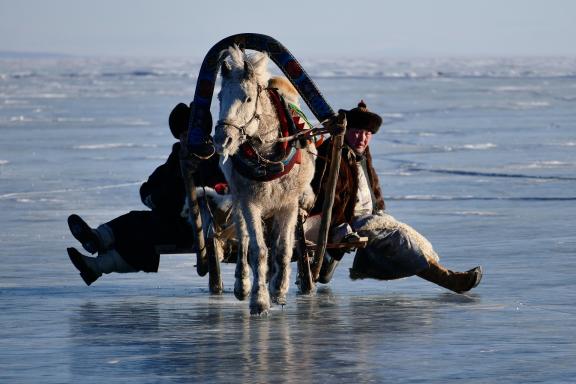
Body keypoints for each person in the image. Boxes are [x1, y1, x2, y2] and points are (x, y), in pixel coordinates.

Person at [311, 101, 482, 293]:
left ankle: (327, 262)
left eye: (368, 134)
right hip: (345, 222)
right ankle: (451, 281)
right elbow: (326, 196)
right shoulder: (332, 153)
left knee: (412, 237)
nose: (363, 138)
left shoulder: (361, 153)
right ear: (347, 130)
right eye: (358, 131)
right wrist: (340, 226)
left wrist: (379, 209)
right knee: (400, 238)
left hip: (368, 217)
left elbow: (373, 187)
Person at [67, 103, 226, 285]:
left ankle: (97, 264)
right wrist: (159, 199)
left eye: (189, 135)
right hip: (172, 221)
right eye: (182, 135)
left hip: (198, 227)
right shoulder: (177, 157)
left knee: (143, 231)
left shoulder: (214, 158)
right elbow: (148, 188)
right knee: (136, 222)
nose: (185, 140)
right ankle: (97, 240)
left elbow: (221, 189)